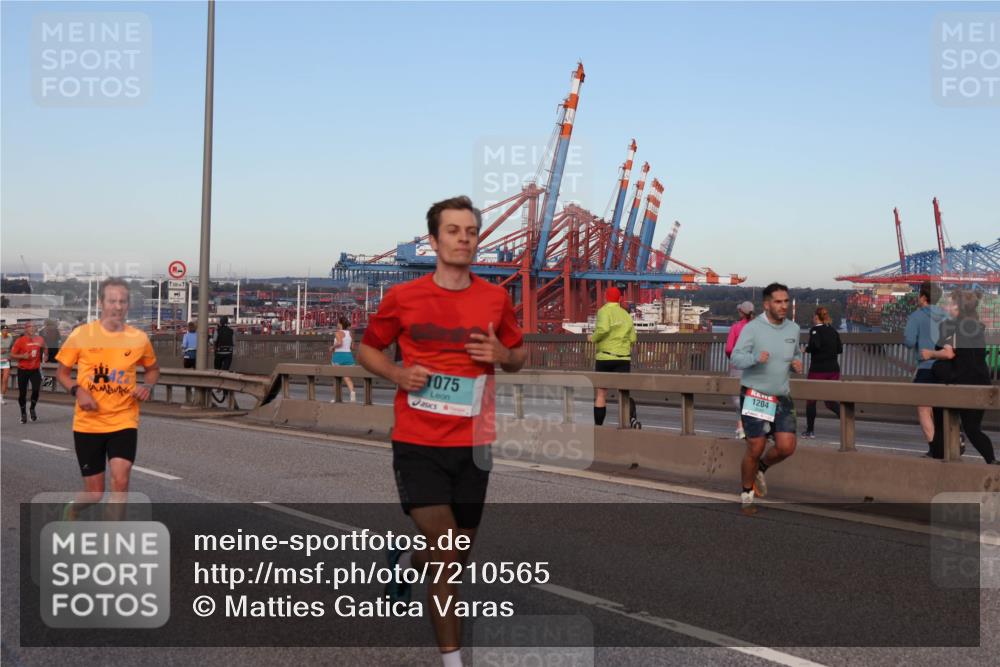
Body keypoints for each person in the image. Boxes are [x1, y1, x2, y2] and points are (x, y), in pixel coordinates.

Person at [357, 195, 526, 667]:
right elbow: (366, 348)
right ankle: (452, 661)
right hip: (418, 441)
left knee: (454, 552)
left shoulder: (495, 299)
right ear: (432, 241)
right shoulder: (403, 298)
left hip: (474, 444)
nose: (464, 238)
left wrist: (503, 356)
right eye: (453, 231)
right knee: (449, 551)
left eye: (470, 231)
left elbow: (518, 356)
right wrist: (396, 375)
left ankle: (408, 561)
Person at [55, 278, 160, 519]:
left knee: (121, 481)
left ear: (128, 304)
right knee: (94, 493)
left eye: (122, 301)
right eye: (112, 300)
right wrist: (77, 390)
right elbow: (61, 373)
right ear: (100, 302)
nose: (118, 306)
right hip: (88, 423)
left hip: (124, 419)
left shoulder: (139, 339)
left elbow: (153, 369)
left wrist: (147, 385)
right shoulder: (82, 335)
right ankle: (73, 508)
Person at [730, 282, 804, 509]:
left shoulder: (793, 329)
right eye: (778, 302)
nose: (783, 306)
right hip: (755, 394)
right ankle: (746, 493)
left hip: (781, 395)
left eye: (786, 301)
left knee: (786, 447)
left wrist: (795, 365)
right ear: (766, 304)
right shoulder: (752, 328)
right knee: (756, 446)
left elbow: (792, 356)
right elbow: (736, 358)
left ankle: (761, 468)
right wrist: (754, 358)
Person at [922, 290, 996, 464]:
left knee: (941, 417)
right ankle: (992, 461)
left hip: (958, 382)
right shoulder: (977, 326)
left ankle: (941, 455)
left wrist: (930, 353)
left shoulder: (950, 326)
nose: (947, 306)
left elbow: (948, 354)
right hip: (981, 382)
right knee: (973, 429)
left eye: (950, 303)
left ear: (959, 307)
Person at [904, 281, 946, 454]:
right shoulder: (947, 315)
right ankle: (948, 443)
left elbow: (909, 342)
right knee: (942, 408)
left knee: (923, 408)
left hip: (926, 368)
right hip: (946, 368)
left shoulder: (917, 315)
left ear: (922, 297)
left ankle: (934, 449)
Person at [591, 286, 639, 428]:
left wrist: (593, 338)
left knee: (601, 394)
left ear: (606, 297)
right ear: (620, 299)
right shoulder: (626, 315)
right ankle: (628, 421)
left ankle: (598, 427)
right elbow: (633, 338)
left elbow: (603, 329)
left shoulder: (603, 311)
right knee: (623, 392)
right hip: (623, 358)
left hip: (605, 357)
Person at [802, 306, 842, 438]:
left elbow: (815, 345)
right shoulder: (832, 330)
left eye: (814, 316)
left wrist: (806, 350)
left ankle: (810, 431)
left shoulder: (815, 330)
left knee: (811, 400)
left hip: (818, 370)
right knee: (830, 401)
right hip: (834, 370)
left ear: (816, 317)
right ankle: (846, 419)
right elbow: (839, 349)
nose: (812, 318)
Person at [725, 301, 755, 438]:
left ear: (741, 312)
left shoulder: (736, 327)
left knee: (738, 398)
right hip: (754, 366)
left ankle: (741, 428)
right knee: (752, 395)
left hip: (737, 366)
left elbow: (729, 349)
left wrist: (733, 358)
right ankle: (753, 427)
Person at [9, 322, 47, 424]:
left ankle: (32, 408)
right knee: (22, 393)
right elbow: (12, 355)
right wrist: (22, 356)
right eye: (30, 327)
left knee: (36, 390)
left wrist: (46, 355)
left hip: (35, 370)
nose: (33, 328)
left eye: (34, 327)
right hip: (23, 370)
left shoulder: (40, 339)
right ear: (26, 329)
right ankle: (23, 413)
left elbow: (45, 347)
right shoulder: (20, 341)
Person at [329, 316, 356, 403]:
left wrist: (332, 347)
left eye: (338, 322)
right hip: (349, 356)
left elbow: (340, 343)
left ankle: (336, 398)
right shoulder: (350, 333)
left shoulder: (338, 333)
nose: (337, 324)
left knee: (336, 379)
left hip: (338, 356)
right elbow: (353, 347)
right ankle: (352, 395)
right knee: (347, 378)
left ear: (340, 324)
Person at [1, 324, 12, 405]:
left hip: (6, 361)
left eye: (7, 330)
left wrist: (9, 353)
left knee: (5, 380)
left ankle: (1, 397)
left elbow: (11, 348)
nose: (6, 332)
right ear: (1, 331)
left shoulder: (10, 338)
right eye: (4, 330)